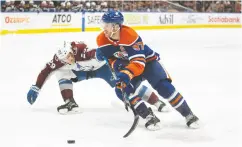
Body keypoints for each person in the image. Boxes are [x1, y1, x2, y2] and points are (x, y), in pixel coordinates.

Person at [95, 10, 200, 129]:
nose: (104, 28)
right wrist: (117, 68)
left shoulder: (130, 35)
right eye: (103, 25)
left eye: (107, 25)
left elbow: (139, 63)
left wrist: (127, 73)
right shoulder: (101, 40)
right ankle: (149, 117)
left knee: (164, 87)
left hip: (147, 62)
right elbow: (112, 60)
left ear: (115, 26)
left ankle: (189, 114)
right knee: (121, 90)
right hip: (128, 65)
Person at [27, 41, 169, 116]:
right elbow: (45, 71)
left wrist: (111, 61)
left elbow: (102, 53)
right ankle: (70, 102)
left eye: (70, 55)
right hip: (83, 72)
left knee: (125, 84)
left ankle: (156, 101)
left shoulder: (82, 50)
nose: (69, 59)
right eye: (66, 59)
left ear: (72, 51)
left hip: (103, 69)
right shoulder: (59, 61)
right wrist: (36, 87)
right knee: (60, 73)